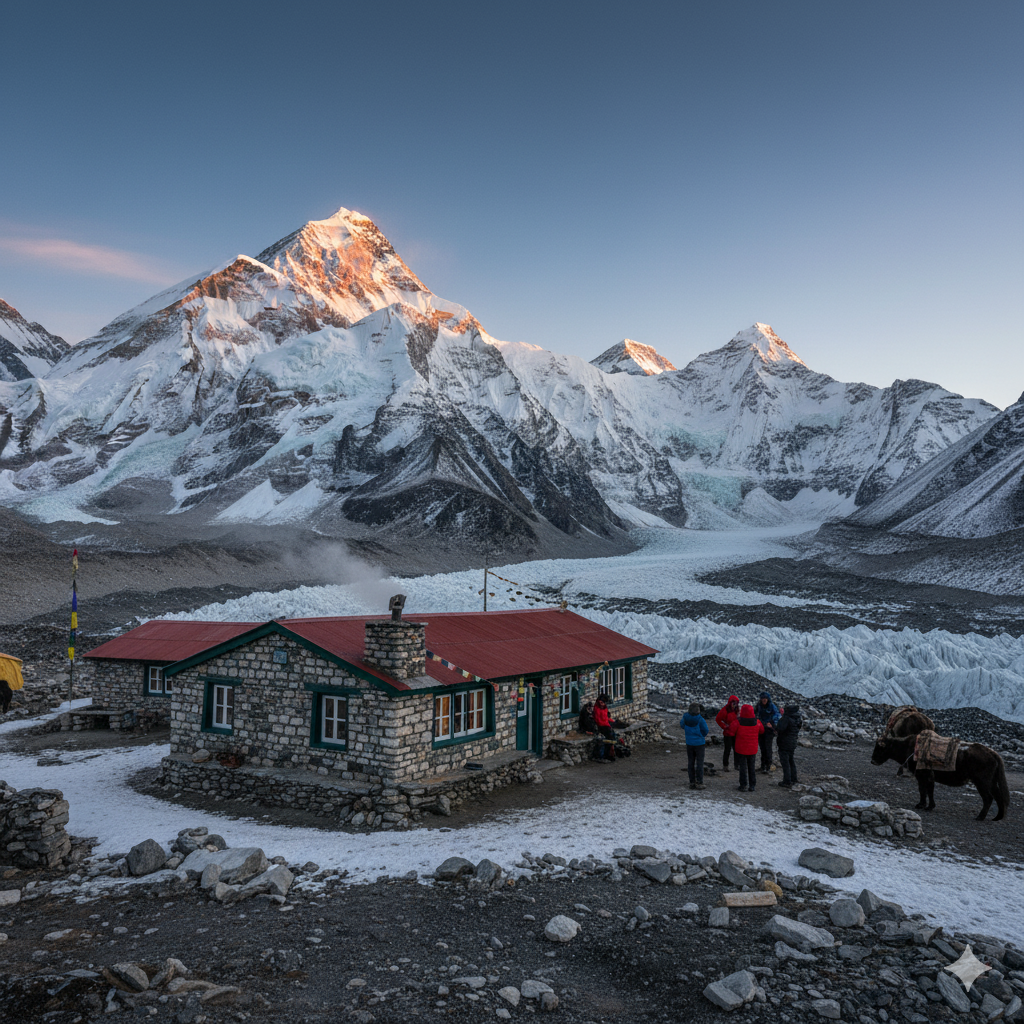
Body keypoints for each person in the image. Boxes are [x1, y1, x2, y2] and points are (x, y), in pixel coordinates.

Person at [734, 703, 764, 792]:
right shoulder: (757, 722)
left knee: (743, 767)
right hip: (752, 748)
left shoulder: (738, 722)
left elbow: (731, 731)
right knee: (751, 767)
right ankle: (752, 785)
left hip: (741, 748)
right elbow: (762, 731)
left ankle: (743, 785)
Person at [681, 702, 709, 789]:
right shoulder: (700, 719)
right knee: (699, 763)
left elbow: (682, 725)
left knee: (691, 762)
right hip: (699, 743)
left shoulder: (685, 717)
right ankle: (699, 782)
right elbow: (706, 730)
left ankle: (692, 782)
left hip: (689, 743)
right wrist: (701, 735)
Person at [775, 702, 803, 788]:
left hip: (784, 742)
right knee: (791, 760)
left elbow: (780, 728)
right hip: (793, 741)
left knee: (785, 762)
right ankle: (793, 778)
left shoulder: (786, 718)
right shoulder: (798, 718)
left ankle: (787, 781)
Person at [755, 691, 780, 773]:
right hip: (761, 728)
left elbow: (777, 715)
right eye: (762, 698)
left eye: (765, 698)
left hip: (769, 730)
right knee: (762, 748)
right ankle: (763, 766)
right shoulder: (758, 706)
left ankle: (768, 766)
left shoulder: (772, 706)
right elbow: (754, 714)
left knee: (768, 748)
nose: (764, 700)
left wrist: (771, 722)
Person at [715, 695, 741, 770]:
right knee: (727, 749)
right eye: (733, 702)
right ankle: (725, 765)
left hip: (736, 733)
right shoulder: (725, 710)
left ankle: (737, 765)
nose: (734, 704)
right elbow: (718, 719)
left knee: (736, 749)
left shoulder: (737, 710)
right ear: (730, 702)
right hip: (728, 733)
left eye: (735, 703)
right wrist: (724, 726)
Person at [593, 693, 617, 762]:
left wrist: (611, 722)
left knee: (612, 736)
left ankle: (610, 753)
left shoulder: (604, 708)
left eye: (603, 703)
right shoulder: (597, 709)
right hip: (601, 726)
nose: (602, 704)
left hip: (606, 725)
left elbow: (606, 717)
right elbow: (598, 720)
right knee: (608, 738)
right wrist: (607, 725)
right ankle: (605, 755)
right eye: (601, 702)